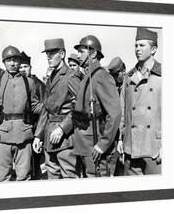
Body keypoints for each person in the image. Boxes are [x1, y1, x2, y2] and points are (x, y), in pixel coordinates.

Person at [0, 45, 46, 181]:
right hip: (2, 136)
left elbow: (34, 105)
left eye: (15, 59)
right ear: (4, 62)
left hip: (24, 135)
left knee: (24, 177)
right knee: (3, 177)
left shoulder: (29, 83)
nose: (12, 63)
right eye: (9, 60)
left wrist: (48, 107)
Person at [72, 35, 121, 177]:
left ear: (93, 53)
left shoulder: (101, 76)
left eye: (82, 51)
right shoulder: (89, 76)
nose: (79, 55)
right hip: (84, 143)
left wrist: (103, 144)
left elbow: (114, 113)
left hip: (95, 145)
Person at [33, 38, 81, 179]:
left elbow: (79, 108)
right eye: (47, 53)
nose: (48, 56)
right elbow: (45, 109)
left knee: (69, 177)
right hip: (49, 136)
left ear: (62, 54)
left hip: (66, 138)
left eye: (52, 53)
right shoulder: (52, 76)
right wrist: (38, 135)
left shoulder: (71, 76)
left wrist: (62, 128)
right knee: (52, 177)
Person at [117, 27, 162, 175]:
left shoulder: (165, 75)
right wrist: (120, 139)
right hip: (132, 147)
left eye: (142, 45)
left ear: (154, 49)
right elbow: (122, 111)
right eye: (136, 45)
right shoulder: (129, 76)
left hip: (154, 148)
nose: (137, 49)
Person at [19, 51, 46, 179]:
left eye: (25, 66)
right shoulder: (18, 84)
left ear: (30, 68)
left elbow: (44, 110)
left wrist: (39, 134)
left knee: (35, 162)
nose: (23, 70)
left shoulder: (39, 84)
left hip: (36, 128)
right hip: (22, 129)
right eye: (20, 67)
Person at [107, 56, 127, 176]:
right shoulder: (113, 86)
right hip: (115, 135)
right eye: (112, 75)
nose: (114, 78)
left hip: (126, 134)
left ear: (123, 71)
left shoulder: (130, 85)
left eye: (116, 75)